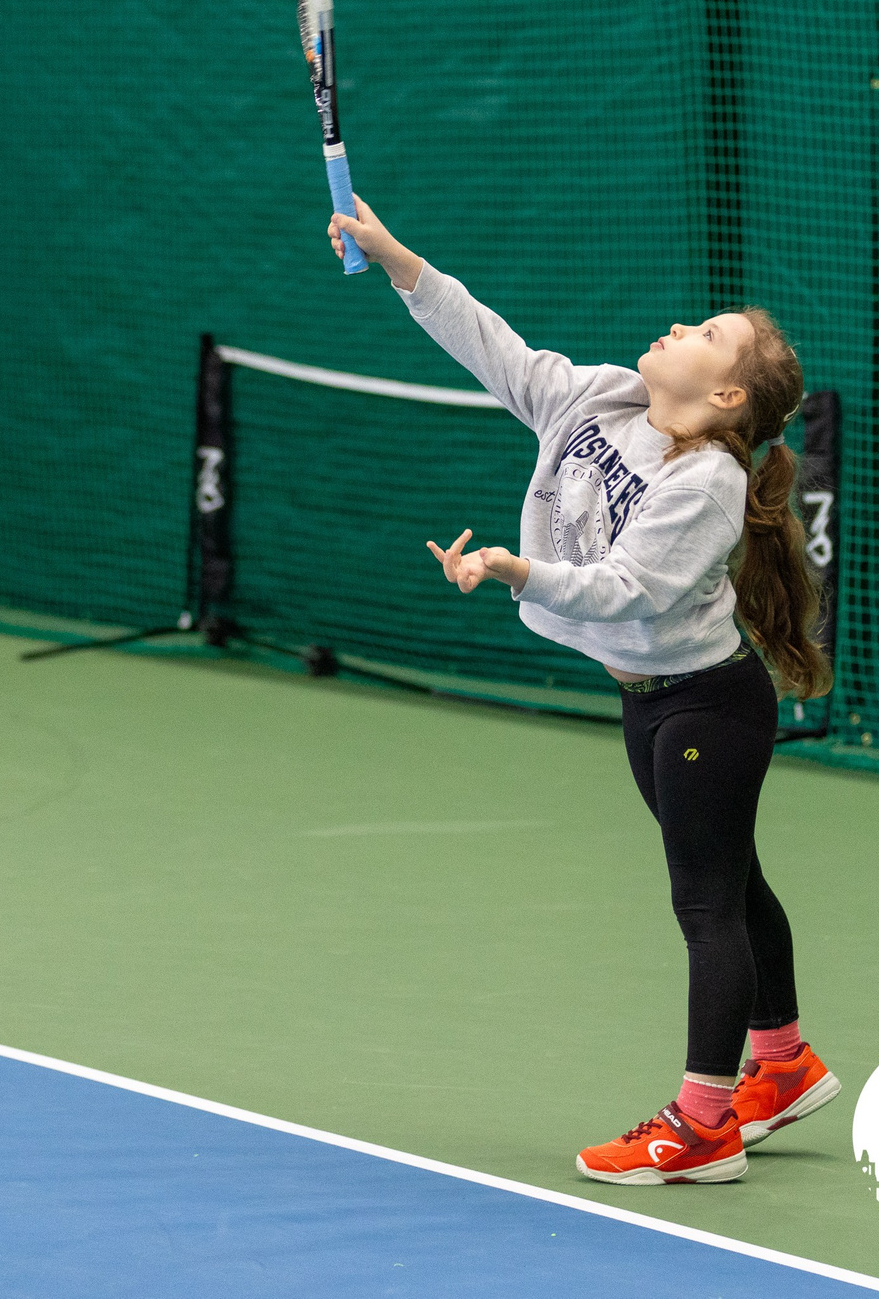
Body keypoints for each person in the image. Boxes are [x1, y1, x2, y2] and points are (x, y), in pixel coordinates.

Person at [328, 195, 838, 1186]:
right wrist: (397, 256)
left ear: (728, 396)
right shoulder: (603, 398)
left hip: (704, 706)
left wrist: (517, 571)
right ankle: (781, 1064)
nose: (682, 326)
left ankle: (703, 1126)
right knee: (731, 879)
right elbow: (498, 349)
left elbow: (625, 590)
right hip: (651, 699)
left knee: (705, 904)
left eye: (706, 333)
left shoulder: (706, 486)